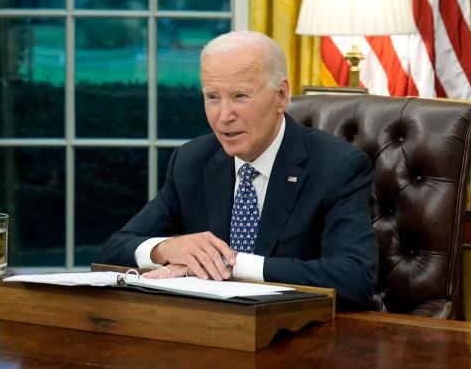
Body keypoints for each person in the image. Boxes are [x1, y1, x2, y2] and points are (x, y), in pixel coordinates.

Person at [99, 31, 378, 310]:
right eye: (212, 97)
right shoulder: (192, 160)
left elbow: (355, 279)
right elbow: (115, 248)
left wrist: (231, 263)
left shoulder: (336, 166)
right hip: (210, 329)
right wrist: (166, 249)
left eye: (240, 96)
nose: (224, 115)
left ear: (281, 96)